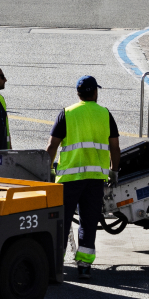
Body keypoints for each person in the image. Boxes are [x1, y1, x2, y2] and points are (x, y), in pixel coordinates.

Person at [46, 74, 121, 279]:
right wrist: (114, 171)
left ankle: (56, 265)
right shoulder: (105, 114)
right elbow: (115, 147)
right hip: (95, 179)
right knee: (88, 222)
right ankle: (84, 266)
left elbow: (52, 146)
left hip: (69, 180)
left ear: (78, 94)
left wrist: (48, 171)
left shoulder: (67, 113)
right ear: (95, 92)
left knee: (62, 222)